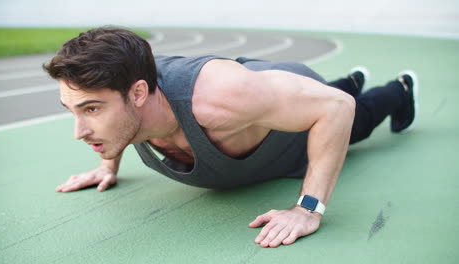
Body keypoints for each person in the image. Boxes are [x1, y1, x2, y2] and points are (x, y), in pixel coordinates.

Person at [43, 27, 419, 248]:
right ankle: (351, 79)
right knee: (323, 96)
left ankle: (399, 89)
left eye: (91, 110)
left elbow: (335, 109)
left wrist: (307, 210)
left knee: (356, 113)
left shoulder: (217, 99)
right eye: (73, 110)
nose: (79, 132)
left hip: (280, 110)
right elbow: (117, 117)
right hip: (260, 105)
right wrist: (106, 161)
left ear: (139, 94)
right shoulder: (128, 98)